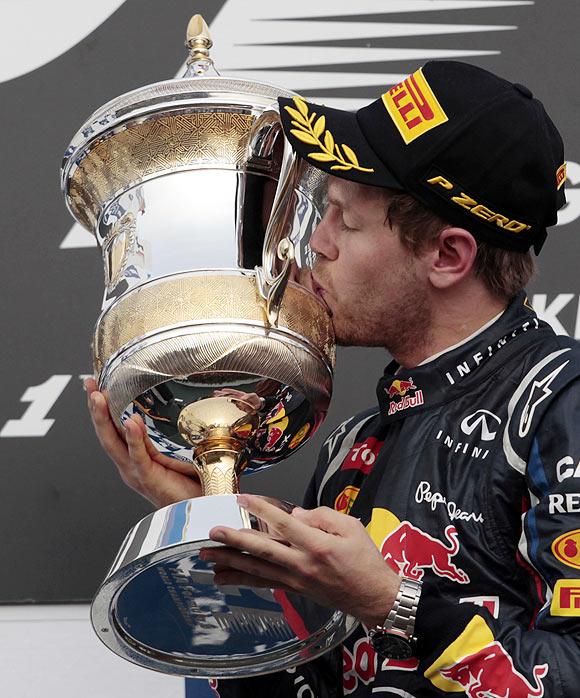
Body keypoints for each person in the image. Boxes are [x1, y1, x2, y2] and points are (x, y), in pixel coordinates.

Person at [86, 61, 580, 697]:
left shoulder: (558, 406)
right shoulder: (356, 443)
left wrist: (390, 602)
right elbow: (297, 685)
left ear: (447, 256)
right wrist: (209, 519)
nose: (313, 243)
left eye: (345, 220)